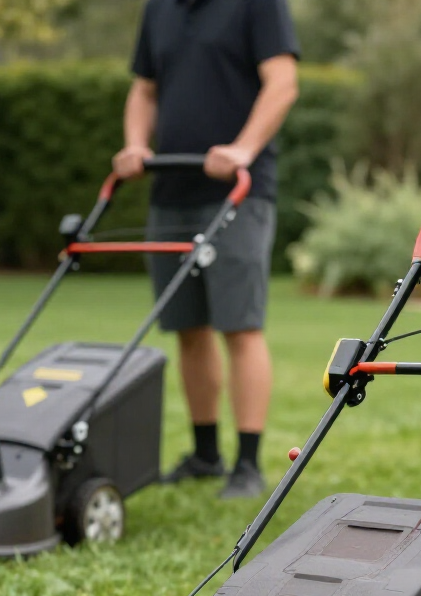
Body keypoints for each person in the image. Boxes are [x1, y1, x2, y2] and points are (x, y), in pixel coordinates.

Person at [113, 0, 300, 499]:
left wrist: (243, 148)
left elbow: (283, 83)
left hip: (238, 191)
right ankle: (204, 455)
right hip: (171, 190)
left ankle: (247, 463)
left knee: (240, 325)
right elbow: (144, 89)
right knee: (187, 329)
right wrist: (135, 144)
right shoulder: (159, 8)